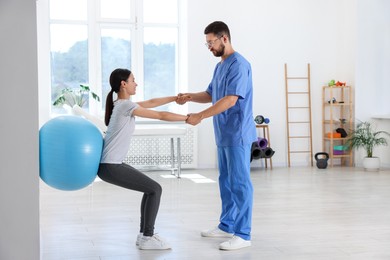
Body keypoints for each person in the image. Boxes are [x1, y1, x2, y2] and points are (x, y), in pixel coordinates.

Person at [177, 21, 256, 250]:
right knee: (226, 181)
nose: (209, 47)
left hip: (238, 133)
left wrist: (200, 116)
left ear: (224, 38)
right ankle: (227, 224)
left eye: (211, 43)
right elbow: (212, 94)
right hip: (223, 134)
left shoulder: (239, 65)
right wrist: (189, 97)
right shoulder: (220, 66)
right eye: (207, 44)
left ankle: (243, 234)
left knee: (240, 183)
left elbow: (231, 99)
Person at [98, 68, 188, 250]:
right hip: (111, 166)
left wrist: (174, 98)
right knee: (155, 189)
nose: (136, 83)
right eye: (133, 80)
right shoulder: (125, 106)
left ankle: (144, 236)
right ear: (123, 84)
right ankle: (148, 236)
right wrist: (188, 118)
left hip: (111, 165)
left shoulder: (121, 104)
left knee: (151, 190)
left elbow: (151, 102)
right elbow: (161, 115)